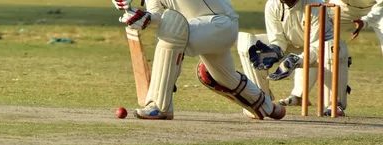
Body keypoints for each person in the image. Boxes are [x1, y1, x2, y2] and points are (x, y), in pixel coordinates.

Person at [111, 0, 286, 120]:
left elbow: (169, 23)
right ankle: (269, 107)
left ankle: (159, 105)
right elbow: (157, 14)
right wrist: (142, 17)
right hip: (200, 29)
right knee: (225, 78)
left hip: (222, 23)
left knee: (171, 30)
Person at [237, 0, 350, 116]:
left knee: (332, 47)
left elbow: (316, 44)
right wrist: (274, 51)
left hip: (320, 50)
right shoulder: (272, 4)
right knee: (249, 43)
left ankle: (334, 104)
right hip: (290, 46)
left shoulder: (316, 5)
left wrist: (296, 60)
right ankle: (261, 102)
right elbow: (278, 39)